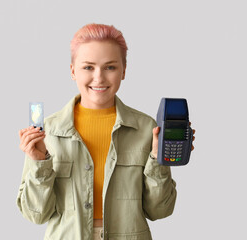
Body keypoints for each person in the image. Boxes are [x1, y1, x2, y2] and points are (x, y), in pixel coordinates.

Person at [17, 23, 195, 240]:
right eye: (88, 67)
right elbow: (36, 214)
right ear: (73, 71)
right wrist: (39, 163)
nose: (99, 78)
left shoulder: (147, 129)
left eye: (110, 67)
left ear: (124, 71)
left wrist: (159, 160)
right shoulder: (48, 132)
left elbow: (160, 210)